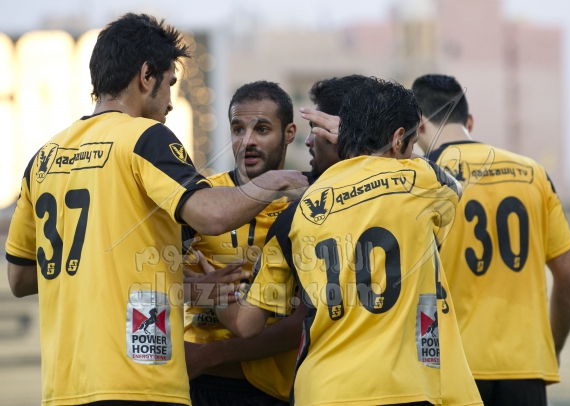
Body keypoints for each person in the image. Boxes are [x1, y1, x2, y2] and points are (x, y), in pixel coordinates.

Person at [5, 14, 307, 406]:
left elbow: (20, 277)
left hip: (63, 387)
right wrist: (273, 182)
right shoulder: (145, 137)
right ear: (146, 76)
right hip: (139, 380)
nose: (169, 104)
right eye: (169, 84)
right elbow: (212, 215)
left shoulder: (44, 157)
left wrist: (187, 288)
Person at [216, 78, 482, 406]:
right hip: (407, 388)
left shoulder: (294, 214)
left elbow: (246, 323)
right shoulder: (419, 181)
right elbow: (455, 188)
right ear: (398, 139)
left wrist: (213, 291)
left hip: (324, 392)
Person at [411, 74, 570, 406]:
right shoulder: (534, 173)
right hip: (526, 369)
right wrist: (552, 347)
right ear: (469, 122)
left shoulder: (421, 179)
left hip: (450, 371)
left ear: (418, 123)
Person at [184, 81, 306, 405]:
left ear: (289, 133)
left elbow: (301, 322)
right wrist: (195, 289)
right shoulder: (200, 199)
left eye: (262, 129)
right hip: (200, 387)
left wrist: (210, 353)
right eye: (238, 129)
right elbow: (155, 282)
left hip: (272, 391)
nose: (247, 141)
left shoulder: (306, 206)